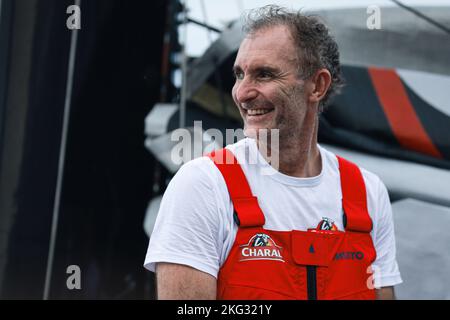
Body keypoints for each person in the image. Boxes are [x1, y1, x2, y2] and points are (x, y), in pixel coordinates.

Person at [144, 5, 402, 300]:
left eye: (264, 74)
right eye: (239, 74)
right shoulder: (203, 186)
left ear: (317, 86)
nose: (242, 93)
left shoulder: (368, 193)